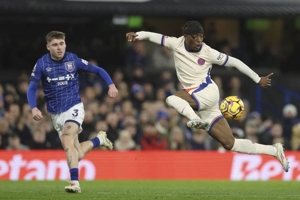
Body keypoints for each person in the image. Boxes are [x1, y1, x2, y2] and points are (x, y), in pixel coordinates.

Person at [126, 21, 289, 172]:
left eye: (201, 36)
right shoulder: (176, 43)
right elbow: (153, 36)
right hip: (201, 101)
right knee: (230, 144)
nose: (199, 40)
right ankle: (274, 150)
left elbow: (235, 62)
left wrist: (257, 78)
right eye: (195, 37)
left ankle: (194, 120)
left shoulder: (208, 52)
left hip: (207, 91)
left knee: (171, 99)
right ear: (185, 37)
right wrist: (137, 34)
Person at [27, 31, 118, 193]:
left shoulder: (73, 60)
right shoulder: (42, 64)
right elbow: (32, 88)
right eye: (55, 45)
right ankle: (99, 140)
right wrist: (33, 107)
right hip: (55, 113)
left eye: (61, 44)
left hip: (74, 107)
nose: (59, 48)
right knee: (77, 153)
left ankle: (74, 183)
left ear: (65, 44)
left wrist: (111, 84)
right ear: (48, 47)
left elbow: (98, 70)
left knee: (67, 139)